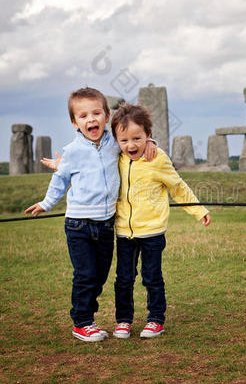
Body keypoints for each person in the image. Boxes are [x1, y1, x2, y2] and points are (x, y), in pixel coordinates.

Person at [24, 87, 157, 342]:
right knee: (85, 275)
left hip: (106, 224)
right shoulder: (72, 151)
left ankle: (88, 318)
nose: (91, 119)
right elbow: (60, 180)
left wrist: (150, 142)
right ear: (75, 123)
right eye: (83, 116)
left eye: (96, 113)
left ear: (107, 116)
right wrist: (47, 203)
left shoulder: (113, 143)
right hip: (78, 225)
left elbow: (134, 138)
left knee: (100, 276)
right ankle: (82, 322)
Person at [110, 103, 211, 339]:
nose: (131, 145)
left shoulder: (158, 158)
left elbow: (178, 187)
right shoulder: (115, 157)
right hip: (124, 231)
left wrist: (198, 210)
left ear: (148, 136)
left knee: (151, 277)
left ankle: (156, 319)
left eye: (137, 138)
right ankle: (123, 320)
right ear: (116, 139)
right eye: (124, 140)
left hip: (153, 231)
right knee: (123, 278)